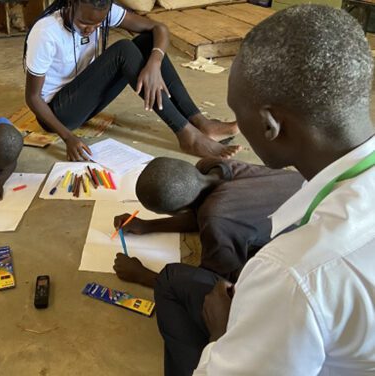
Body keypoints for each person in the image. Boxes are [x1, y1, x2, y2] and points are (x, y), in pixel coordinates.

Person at [155, 5, 375, 375]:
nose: (235, 126)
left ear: (270, 124)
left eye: (237, 114)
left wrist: (221, 335)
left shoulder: (291, 274)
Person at [24, 0, 242, 162]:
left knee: (148, 42)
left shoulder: (105, 8)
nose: (90, 29)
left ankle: (201, 123)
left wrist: (154, 63)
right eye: (83, 23)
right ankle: (187, 134)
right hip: (57, 114)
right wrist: (68, 138)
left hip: (85, 100)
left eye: (97, 24)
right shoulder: (45, 32)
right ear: (71, 3)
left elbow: (159, 29)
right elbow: (33, 98)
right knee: (124, 50)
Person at [112, 157, 303, 287]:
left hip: (310, 236)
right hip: (314, 194)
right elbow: (200, 212)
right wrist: (147, 225)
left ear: (179, 211)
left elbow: (211, 284)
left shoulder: (216, 220)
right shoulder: (213, 166)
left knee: (240, 281)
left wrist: (142, 275)